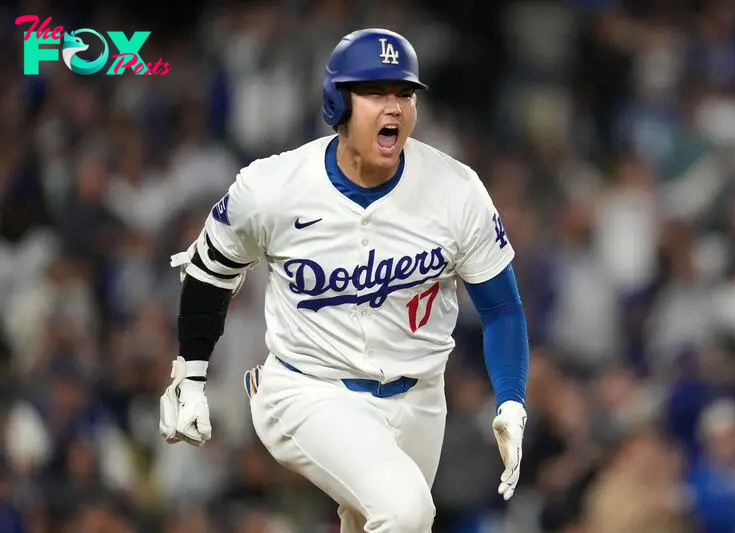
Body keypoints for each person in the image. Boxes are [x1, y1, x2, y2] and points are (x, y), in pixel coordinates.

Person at [158, 28, 529, 533]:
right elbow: (210, 271)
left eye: (404, 93)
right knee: (406, 513)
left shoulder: (455, 190)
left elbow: (502, 308)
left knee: (376, 522)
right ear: (337, 102)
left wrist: (511, 398)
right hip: (309, 389)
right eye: (375, 92)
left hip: (420, 398)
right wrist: (191, 373)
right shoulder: (273, 188)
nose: (394, 107)